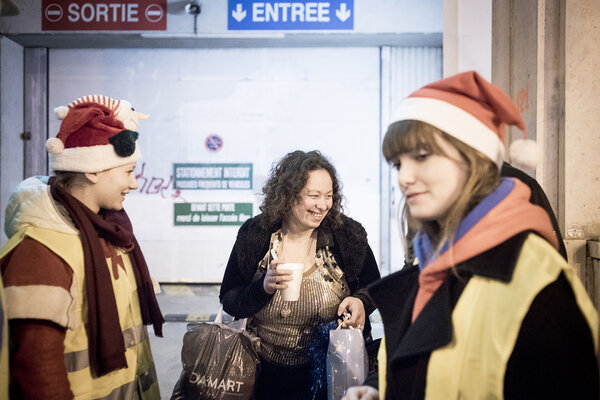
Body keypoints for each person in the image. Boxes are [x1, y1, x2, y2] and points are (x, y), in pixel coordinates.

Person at [344, 71, 599, 399]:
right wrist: (378, 388)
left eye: (421, 156)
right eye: (397, 164)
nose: (404, 177)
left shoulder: (538, 284)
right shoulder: (432, 268)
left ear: (472, 158)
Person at [0, 94, 164, 399]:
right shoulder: (40, 251)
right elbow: (36, 368)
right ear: (92, 171)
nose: (134, 184)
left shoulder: (111, 233)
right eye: (128, 172)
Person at [219, 150, 381, 400]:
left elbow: (375, 287)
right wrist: (263, 287)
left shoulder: (348, 236)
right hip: (263, 374)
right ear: (288, 195)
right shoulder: (256, 235)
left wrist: (360, 301)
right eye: (313, 196)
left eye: (328, 196)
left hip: (332, 372)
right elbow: (229, 299)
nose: (323, 205)